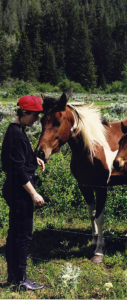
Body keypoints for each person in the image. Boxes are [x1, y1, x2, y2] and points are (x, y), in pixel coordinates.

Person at [1, 95, 45, 291]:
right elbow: (18, 170)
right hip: (20, 191)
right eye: (34, 116)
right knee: (23, 236)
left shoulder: (15, 130)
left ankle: (14, 277)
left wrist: (34, 158)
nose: (36, 120)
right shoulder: (17, 134)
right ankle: (20, 281)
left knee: (15, 234)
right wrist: (34, 193)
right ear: (24, 112)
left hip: (14, 189)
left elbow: (16, 157)